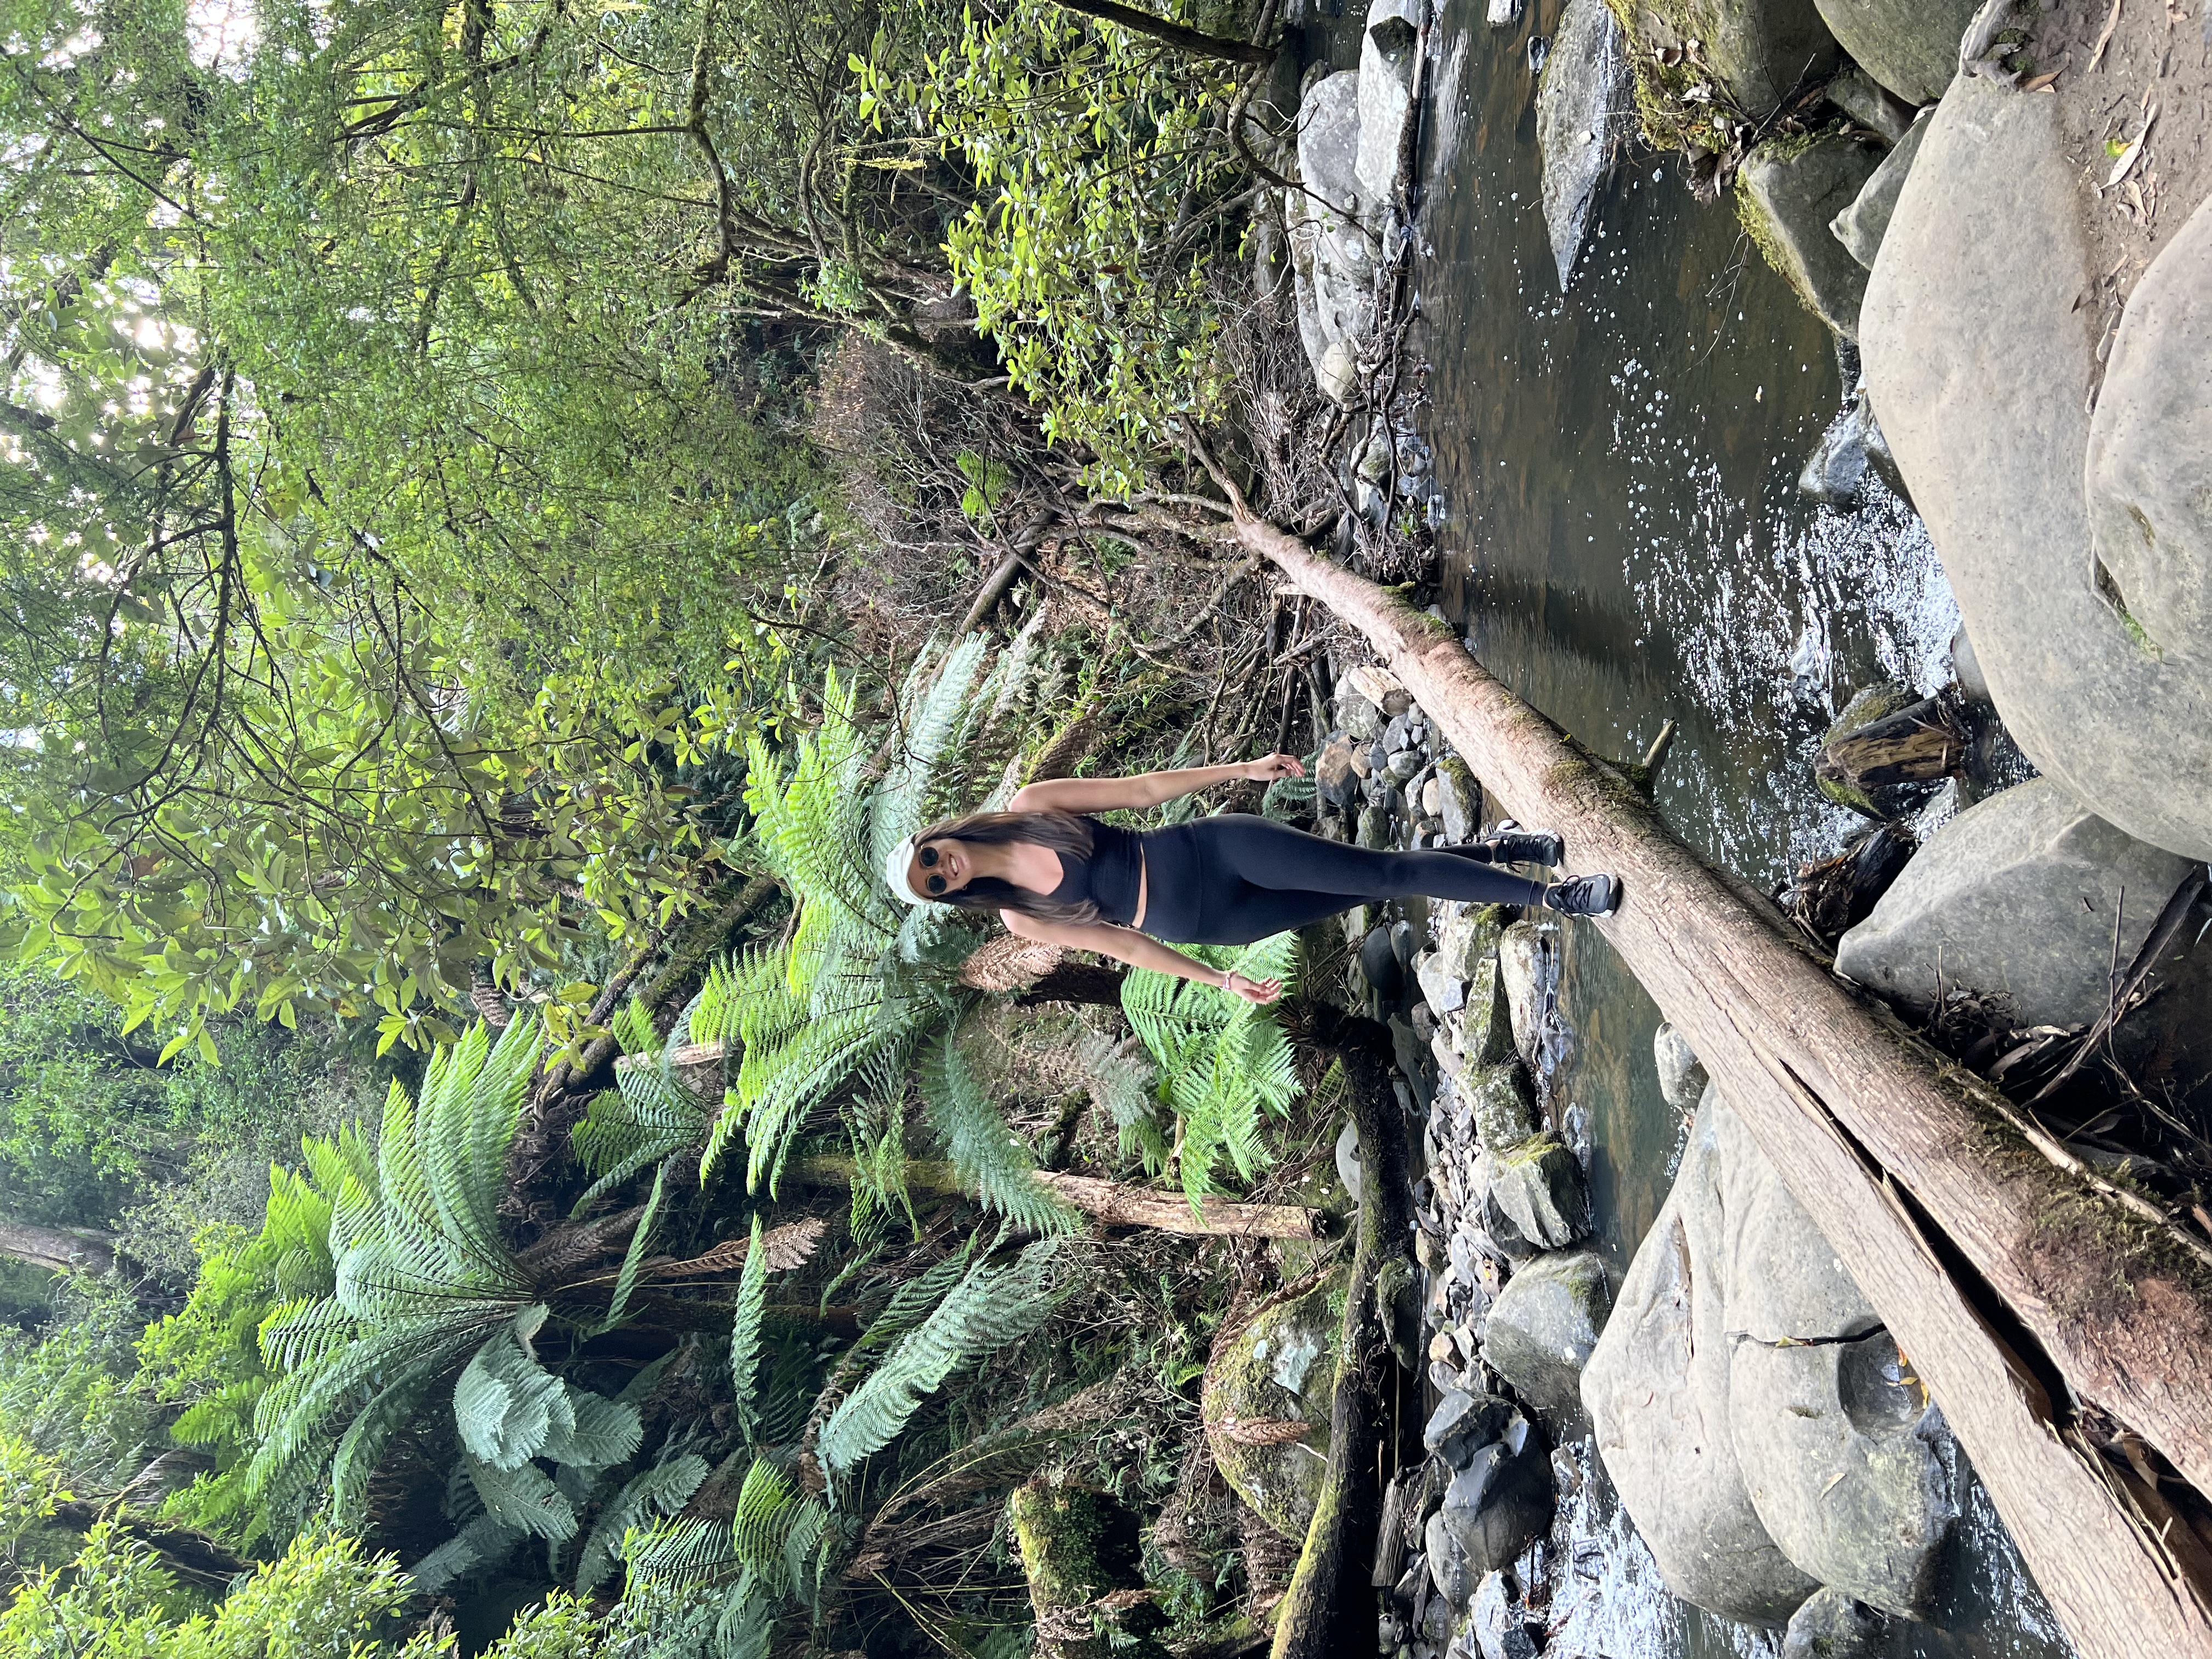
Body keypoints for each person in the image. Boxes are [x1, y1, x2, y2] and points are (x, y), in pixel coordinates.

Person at [882, 754, 1621, 1006]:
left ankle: (1551, 896)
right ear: (949, 897)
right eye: (934, 884)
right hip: (1215, 923)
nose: (942, 869)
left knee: (1386, 870)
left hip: (1215, 853)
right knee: (1376, 888)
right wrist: (1220, 981)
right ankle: (1495, 850)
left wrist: (1241, 770)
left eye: (931, 858)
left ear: (937, 836)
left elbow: (1141, 792)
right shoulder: (1020, 919)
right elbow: (1129, 950)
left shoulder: (1030, 807)